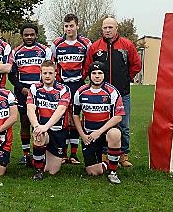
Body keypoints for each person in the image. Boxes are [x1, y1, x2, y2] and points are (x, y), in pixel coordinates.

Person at [85, 17, 142, 167]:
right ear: (102, 29)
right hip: (101, 94)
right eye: (105, 28)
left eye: (111, 27)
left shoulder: (127, 45)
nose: (108, 30)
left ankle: (123, 155)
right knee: (103, 123)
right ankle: (105, 153)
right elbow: (88, 67)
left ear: (117, 28)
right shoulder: (95, 47)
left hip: (122, 93)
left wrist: (126, 78)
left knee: (123, 124)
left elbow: (136, 64)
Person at [73, 61, 124, 184]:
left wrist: (99, 131)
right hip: (89, 135)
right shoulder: (81, 92)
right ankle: (109, 162)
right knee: (93, 172)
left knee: (115, 134)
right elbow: (75, 115)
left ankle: (113, 172)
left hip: (105, 132)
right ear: (89, 75)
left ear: (104, 75)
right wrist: (83, 135)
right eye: (94, 73)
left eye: (100, 73)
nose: (97, 76)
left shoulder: (112, 92)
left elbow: (118, 117)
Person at [50, 14, 92, 164]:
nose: (69, 28)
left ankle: (73, 154)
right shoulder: (57, 43)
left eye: (71, 26)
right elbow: (52, 63)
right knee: (62, 119)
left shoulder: (85, 43)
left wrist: (83, 78)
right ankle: (62, 153)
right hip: (62, 85)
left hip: (78, 84)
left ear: (77, 26)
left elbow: (88, 63)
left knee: (75, 118)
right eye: (66, 26)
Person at [8, 22, 51, 166]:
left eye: (32, 34)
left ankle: (40, 151)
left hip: (40, 91)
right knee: (25, 121)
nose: (29, 37)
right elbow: (12, 75)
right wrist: (21, 88)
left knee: (40, 121)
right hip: (23, 92)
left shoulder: (45, 50)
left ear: (36, 35)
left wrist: (41, 87)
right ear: (21, 36)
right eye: (26, 35)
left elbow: (48, 72)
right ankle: (26, 154)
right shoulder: (16, 52)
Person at [26, 60, 70, 181]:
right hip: (42, 130)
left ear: (55, 74)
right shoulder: (35, 88)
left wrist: (46, 126)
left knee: (52, 171)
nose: (47, 76)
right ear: (40, 74)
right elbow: (30, 108)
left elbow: (60, 110)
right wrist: (36, 126)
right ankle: (38, 170)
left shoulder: (63, 89)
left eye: (50, 73)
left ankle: (34, 159)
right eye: (44, 73)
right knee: (39, 136)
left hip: (58, 131)